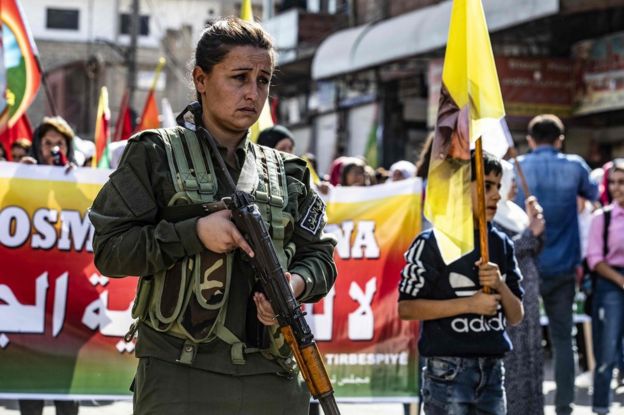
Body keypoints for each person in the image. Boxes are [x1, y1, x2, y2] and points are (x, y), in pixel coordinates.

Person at [89, 17, 337, 415]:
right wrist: (194, 233)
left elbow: (321, 258)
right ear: (201, 79)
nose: (253, 93)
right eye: (239, 77)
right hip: (180, 377)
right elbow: (111, 251)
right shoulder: (155, 155)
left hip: (272, 378)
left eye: (263, 80)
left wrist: (297, 283)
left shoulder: (289, 173)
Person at [398, 150, 524, 415]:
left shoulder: (501, 244)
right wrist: (470, 304)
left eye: (498, 186)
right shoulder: (432, 243)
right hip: (447, 371)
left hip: (493, 371)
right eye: (486, 185)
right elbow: (407, 308)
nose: (496, 195)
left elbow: (516, 316)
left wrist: (500, 285)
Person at [514, 114, 598, 415]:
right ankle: (565, 405)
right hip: (563, 264)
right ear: (560, 139)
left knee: (523, 340)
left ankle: (526, 403)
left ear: (531, 140)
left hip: (524, 264)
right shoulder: (575, 166)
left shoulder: (517, 168)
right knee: (564, 338)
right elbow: (594, 197)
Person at [17, 117, 79, 415]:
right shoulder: (24, 175)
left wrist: (77, 184)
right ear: (38, 147)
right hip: (31, 298)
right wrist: (19, 178)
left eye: (60, 143)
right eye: (48, 143)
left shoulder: (79, 179)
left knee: (67, 391)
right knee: (32, 388)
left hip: (68, 300)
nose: (54, 149)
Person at [494, 160, 545, 415]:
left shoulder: (514, 212)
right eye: (509, 180)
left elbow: (534, 246)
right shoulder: (492, 215)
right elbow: (500, 253)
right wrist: (529, 234)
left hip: (529, 298)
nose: (514, 185)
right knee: (513, 362)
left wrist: (534, 222)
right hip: (510, 298)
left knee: (531, 357)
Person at [587, 159, 624, 415]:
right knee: (607, 352)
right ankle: (601, 407)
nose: (616, 187)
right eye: (612, 182)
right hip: (611, 284)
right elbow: (594, 259)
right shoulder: (603, 216)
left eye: (621, 182)